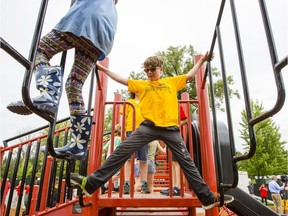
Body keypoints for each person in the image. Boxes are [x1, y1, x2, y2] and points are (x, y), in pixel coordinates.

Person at [70, 52, 234, 209]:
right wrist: (103, 69)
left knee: (187, 162)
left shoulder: (171, 82)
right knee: (121, 150)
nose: (149, 73)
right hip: (148, 127)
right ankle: (91, 184)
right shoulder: (143, 85)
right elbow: (121, 79)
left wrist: (202, 60)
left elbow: (190, 75)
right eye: (147, 70)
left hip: (170, 129)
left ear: (160, 69)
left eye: (152, 70)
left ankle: (207, 198)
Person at [7, 0, 119, 161]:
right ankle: (78, 144)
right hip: (102, 39)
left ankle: (49, 94)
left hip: (84, 20)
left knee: (40, 50)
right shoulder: (112, 8)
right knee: (74, 85)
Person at [119, 92, 150, 194]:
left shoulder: (146, 102)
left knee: (143, 159)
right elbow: (123, 117)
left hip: (144, 131)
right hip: (130, 130)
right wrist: (122, 130)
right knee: (129, 159)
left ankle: (144, 183)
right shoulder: (129, 102)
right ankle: (127, 183)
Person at [160, 105, 188, 196]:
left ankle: (178, 187)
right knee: (171, 162)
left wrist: (175, 125)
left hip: (175, 135)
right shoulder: (164, 106)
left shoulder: (176, 105)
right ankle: (173, 186)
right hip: (167, 136)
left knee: (176, 162)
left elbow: (185, 120)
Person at [101, 124, 122, 194]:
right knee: (120, 173)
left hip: (109, 158)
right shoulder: (121, 139)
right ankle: (105, 184)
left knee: (114, 172)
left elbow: (104, 149)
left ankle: (116, 187)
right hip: (117, 158)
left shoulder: (111, 140)